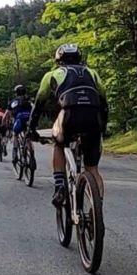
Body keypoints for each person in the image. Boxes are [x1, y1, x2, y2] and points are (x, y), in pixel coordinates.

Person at [28, 43, 108, 207]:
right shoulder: (92, 73)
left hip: (68, 115)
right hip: (93, 117)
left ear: (58, 59)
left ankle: (59, 186)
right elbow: (104, 101)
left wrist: (32, 129)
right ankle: (96, 210)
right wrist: (103, 127)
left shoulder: (53, 74)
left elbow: (38, 105)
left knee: (58, 143)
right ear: (80, 58)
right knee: (92, 169)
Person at [3, 84, 34, 163]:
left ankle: (15, 152)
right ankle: (31, 155)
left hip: (19, 120)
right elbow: (34, 110)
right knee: (28, 137)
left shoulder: (12, 102)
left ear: (16, 93)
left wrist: (4, 124)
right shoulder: (29, 101)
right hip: (29, 120)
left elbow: (5, 116)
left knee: (15, 134)